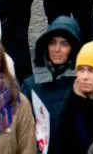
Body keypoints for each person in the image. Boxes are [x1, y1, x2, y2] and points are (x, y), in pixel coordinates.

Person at [20, 16, 80, 146]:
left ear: (73, 48)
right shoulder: (31, 87)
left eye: (64, 44)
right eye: (52, 42)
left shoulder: (82, 86)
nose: (57, 49)